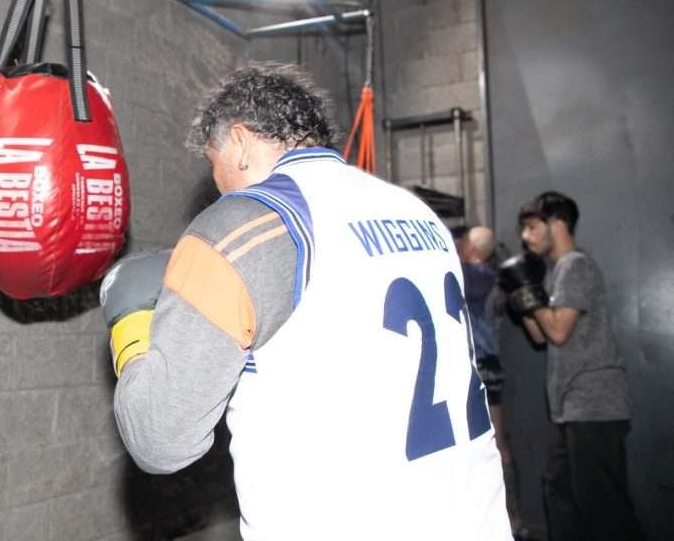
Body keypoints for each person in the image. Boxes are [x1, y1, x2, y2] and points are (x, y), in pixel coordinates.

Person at [101, 63, 511, 540]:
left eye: (216, 167)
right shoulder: (414, 212)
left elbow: (158, 437)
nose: (219, 188)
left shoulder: (243, 225)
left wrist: (132, 328)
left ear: (240, 142)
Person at [498, 192, 642, 541]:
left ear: (558, 223)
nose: (526, 237)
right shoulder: (555, 273)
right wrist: (522, 296)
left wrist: (528, 292)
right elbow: (540, 335)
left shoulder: (575, 265)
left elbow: (559, 331)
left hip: (594, 403)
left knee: (603, 505)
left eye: (532, 227)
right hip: (569, 406)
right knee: (559, 493)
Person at [459, 226, 529, 539]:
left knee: (485, 444)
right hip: (490, 368)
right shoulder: (496, 279)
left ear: (473, 249)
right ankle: (514, 519)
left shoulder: (473, 277)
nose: (458, 247)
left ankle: (507, 519)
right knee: (498, 443)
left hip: (479, 369)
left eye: (463, 243)